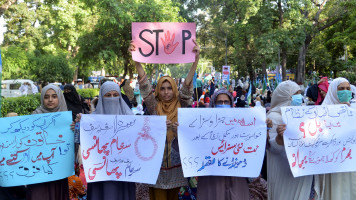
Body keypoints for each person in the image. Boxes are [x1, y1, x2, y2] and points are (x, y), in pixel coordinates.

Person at [129, 39, 199, 200]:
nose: (166, 92)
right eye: (162, 88)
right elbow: (145, 84)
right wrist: (137, 61)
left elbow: (188, 86)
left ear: (174, 89)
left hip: (177, 167)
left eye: (169, 88)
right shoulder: (154, 106)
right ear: (158, 91)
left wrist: (195, 61)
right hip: (156, 166)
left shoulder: (181, 104)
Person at [75, 81, 136, 200]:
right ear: (101, 98)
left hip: (123, 174)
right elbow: (82, 142)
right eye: (108, 95)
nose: (112, 98)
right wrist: (79, 125)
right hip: (100, 174)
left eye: (115, 95)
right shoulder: (92, 120)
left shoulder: (130, 119)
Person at [266, 80, 321, 200]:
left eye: (300, 93)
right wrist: (280, 138)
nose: (299, 97)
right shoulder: (273, 117)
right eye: (296, 94)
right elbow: (272, 148)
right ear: (286, 96)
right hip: (284, 173)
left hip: (302, 171)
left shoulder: (304, 114)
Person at [197, 88, 250, 200]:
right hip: (211, 181)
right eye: (219, 102)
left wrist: (264, 128)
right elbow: (189, 146)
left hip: (236, 180)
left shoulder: (240, 124)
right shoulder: (203, 126)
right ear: (213, 104)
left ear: (231, 104)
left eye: (226, 102)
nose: (223, 105)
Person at [27, 84, 70, 200]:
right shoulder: (35, 116)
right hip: (39, 169)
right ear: (42, 99)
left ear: (60, 98)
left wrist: (74, 129)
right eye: (46, 97)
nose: (50, 100)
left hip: (59, 168)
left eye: (54, 96)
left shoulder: (66, 118)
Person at [320, 77, 354, 199]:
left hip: (350, 163)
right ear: (334, 91)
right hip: (333, 165)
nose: (345, 91)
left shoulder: (353, 111)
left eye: (347, 88)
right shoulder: (323, 112)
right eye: (341, 89)